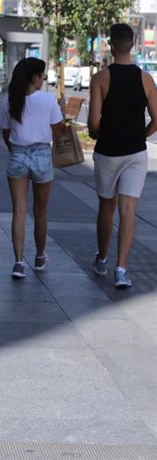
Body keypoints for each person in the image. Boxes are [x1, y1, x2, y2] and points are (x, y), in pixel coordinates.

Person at [88, 23, 157, 289]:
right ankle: (121, 269)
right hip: (135, 152)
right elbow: (156, 118)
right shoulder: (146, 79)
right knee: (129, 210)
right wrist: (142, 134)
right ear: (133, 44)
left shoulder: (101, 78)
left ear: (111, 45)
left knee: (107, 205)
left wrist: (97, 134)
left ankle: (102, 259)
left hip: (107, 152)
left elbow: (93, 122)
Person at [0, 58, 65, 279]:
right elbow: (60, 132)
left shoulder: (10, 101)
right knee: (41, 211)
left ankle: (18, 262)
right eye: (42, 75)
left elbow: (5, 133)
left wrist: (15, 150)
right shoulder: (48, 100)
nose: (43, 78)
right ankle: (39, 255)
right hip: (42, 156)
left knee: (19, 211)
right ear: (35, 77)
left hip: (17, 155)